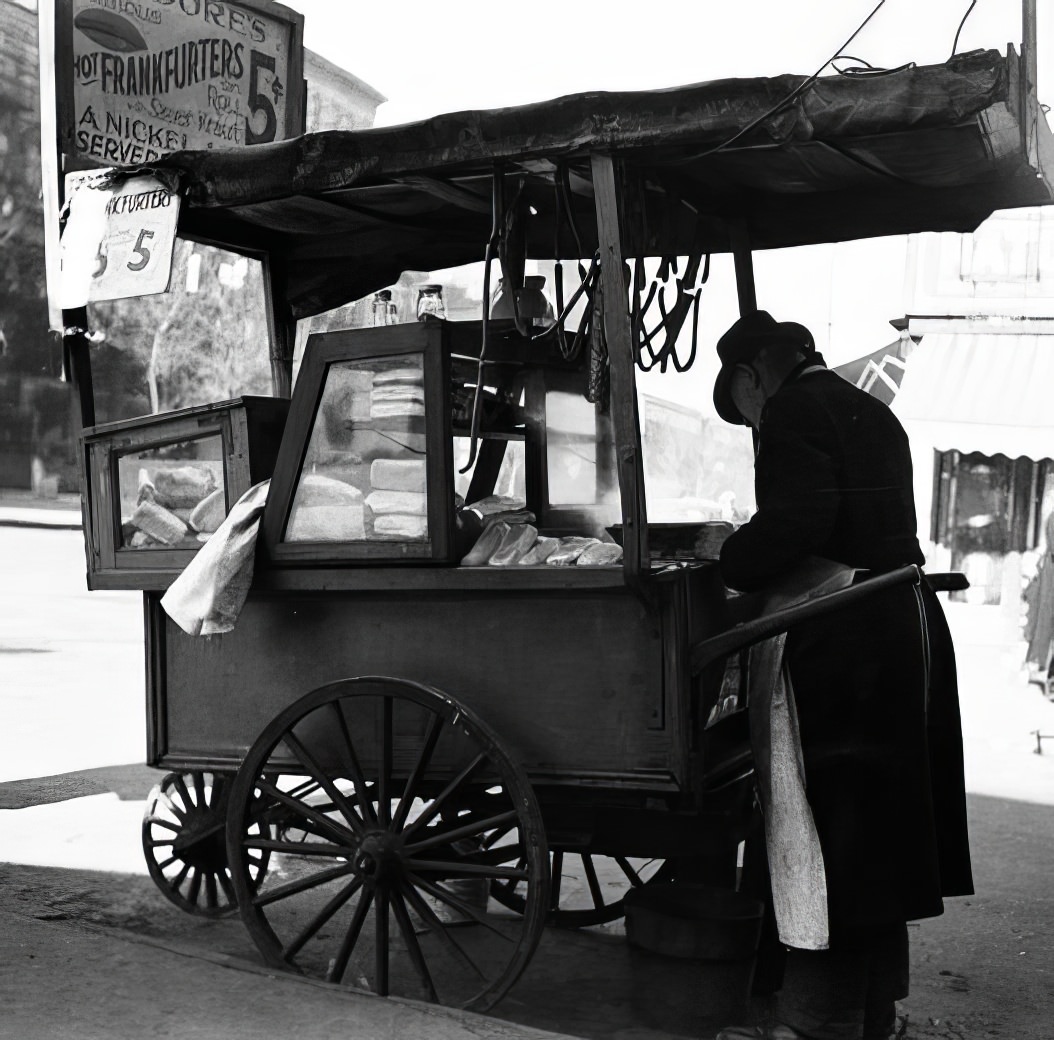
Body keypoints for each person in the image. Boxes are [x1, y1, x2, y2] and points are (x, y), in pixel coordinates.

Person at [709, 311, 973, 1040]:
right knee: (878, 829)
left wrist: (729, 558)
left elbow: (800, 520)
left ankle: (814, 1019)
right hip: (900, 622)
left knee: (829, 826)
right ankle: (873, 1007)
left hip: (845, 637)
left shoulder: (795, 407)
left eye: (745, 409)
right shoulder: (871, 409)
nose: (755, 421)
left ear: (752, 375)